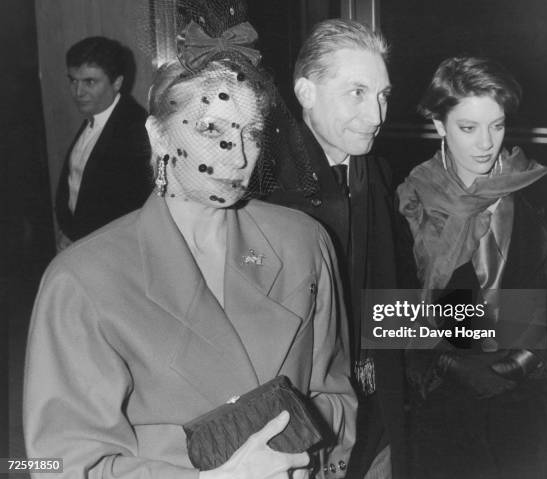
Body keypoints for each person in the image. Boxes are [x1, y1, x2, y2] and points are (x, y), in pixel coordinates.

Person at [24, 14, 356, 479]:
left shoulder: (303, 241)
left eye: (252, 133)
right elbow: (58, 465)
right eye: (209, 130)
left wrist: (308, 460)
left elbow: (335, 395)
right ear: (159, 136)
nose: (238, 156)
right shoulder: (81, 280)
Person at [397, 56, 547, 479]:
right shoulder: (408, 198)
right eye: (468, 128)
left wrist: (518, 363)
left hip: (523, 398)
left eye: (497, 125)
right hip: (438, 403)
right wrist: (451, 364)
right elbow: (390, 302)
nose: (486, 143)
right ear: (439, 124)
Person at [265, 19, 407, 479]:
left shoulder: (379, 172)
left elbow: (399, 286)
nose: (377, 115)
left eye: (383, 94)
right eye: (357, 93)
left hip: (377, 409)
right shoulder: (262, 182)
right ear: (306, 92)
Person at [55, 36, 151, 249]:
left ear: (117, 82)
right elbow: (76, 186)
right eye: (73, 80)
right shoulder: (97, 117)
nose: (78, 92)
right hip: (80, 244)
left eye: (90, 82)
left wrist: (82, 242)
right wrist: (68, 232)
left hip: (110, 252)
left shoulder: (135, 130)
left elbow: (136, 211)